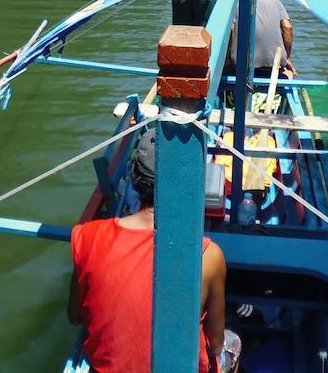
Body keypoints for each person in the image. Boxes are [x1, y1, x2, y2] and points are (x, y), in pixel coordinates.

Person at [67, 130, 227, 372]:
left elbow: (75, 315)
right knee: (232, 342)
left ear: (134, 179)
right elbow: (215, 344)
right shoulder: (208, 255)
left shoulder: (87, 236)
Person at [228, 0, 296, 79]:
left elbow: (232, 30)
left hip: (243, 63)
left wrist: (228, 58)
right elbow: (287, 27)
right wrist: (287, 58)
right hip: (275, 61)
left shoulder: (235, 1)